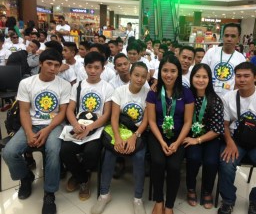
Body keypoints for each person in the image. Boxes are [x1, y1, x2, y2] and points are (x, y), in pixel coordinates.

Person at [2, 49, 71, 214]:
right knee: (9, 152)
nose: (52, 68)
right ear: (40, 63)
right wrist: (29, 133)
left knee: (53, 151)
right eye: (49, 64)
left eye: (56, 65)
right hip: (31, 124)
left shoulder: (64, 85)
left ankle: (49, 193)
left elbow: (62, 112)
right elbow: (24, 111)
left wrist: (47, 130)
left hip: (54, 125)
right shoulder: (26, 83)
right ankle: (26, 177)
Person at [218, 62, 256, 214]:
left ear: (254, 78)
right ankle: (228, 200)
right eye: (238, 76)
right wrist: (229, 142)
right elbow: (224, 125)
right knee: (225, 164)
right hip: (236, 140)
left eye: (246, 76)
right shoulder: (228, 98)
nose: (242, 79)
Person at [91, 62, 149, 214]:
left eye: (143, 76)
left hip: (138, 133)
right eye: (136, 75)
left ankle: (137, 198)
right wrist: (117, 138)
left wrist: (134, 137)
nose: (139, 79)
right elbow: (114, 118)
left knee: (139, 156)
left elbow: (146, 121)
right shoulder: (119, 91)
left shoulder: (148, 93)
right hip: (120, 130)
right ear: (130, 75)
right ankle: (104, 194)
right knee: (110, 153)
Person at [60, 52, 113, 201]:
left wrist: (90, 128)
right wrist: (76, 125)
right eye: (90, 67)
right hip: (78, 125)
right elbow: (70, 109)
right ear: (85, 68)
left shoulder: (107, 87)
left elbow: (106, 114)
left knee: (91, 153)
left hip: (96, 128)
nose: (93, 71)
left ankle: (79, 175)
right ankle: (83, 178)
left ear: (103, 69)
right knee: (65, 151)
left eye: (97, 67)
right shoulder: (78, 85)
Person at [146, 55, 194, 214]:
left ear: (178, 73)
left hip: (178, 136)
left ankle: (169, 205)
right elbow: (151, 121)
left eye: (173, 71)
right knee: (158, 162)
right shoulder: (153, 92)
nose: (169, 74)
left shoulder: (186, 93)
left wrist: (177, 142)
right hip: (157, 135)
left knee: (174, 167)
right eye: (165, 70)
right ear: (160, 72)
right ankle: (159, 201)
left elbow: (188, 122)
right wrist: (161, 142)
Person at [183, 64, 224, 209]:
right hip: (190, 136)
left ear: (209, 79)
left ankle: (207, 190)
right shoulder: (185, 96)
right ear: (192, 77)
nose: (200, 80)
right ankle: (191, 188)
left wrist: (198, 140)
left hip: (210, 137)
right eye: (197, 76)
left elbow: (218, 129)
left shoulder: (215, 100)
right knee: (193, 158)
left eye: (204, 77)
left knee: (211, 161)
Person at [202, 22, 246, 97]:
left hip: (229, 99)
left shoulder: (241, 58)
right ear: (223, 37)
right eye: (226, 35)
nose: (229, 39)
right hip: (209, 96)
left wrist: (234, 98)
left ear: (238, 39)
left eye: (233, 36)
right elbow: (202, 73)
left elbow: (240, 82)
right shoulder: (211, 52)